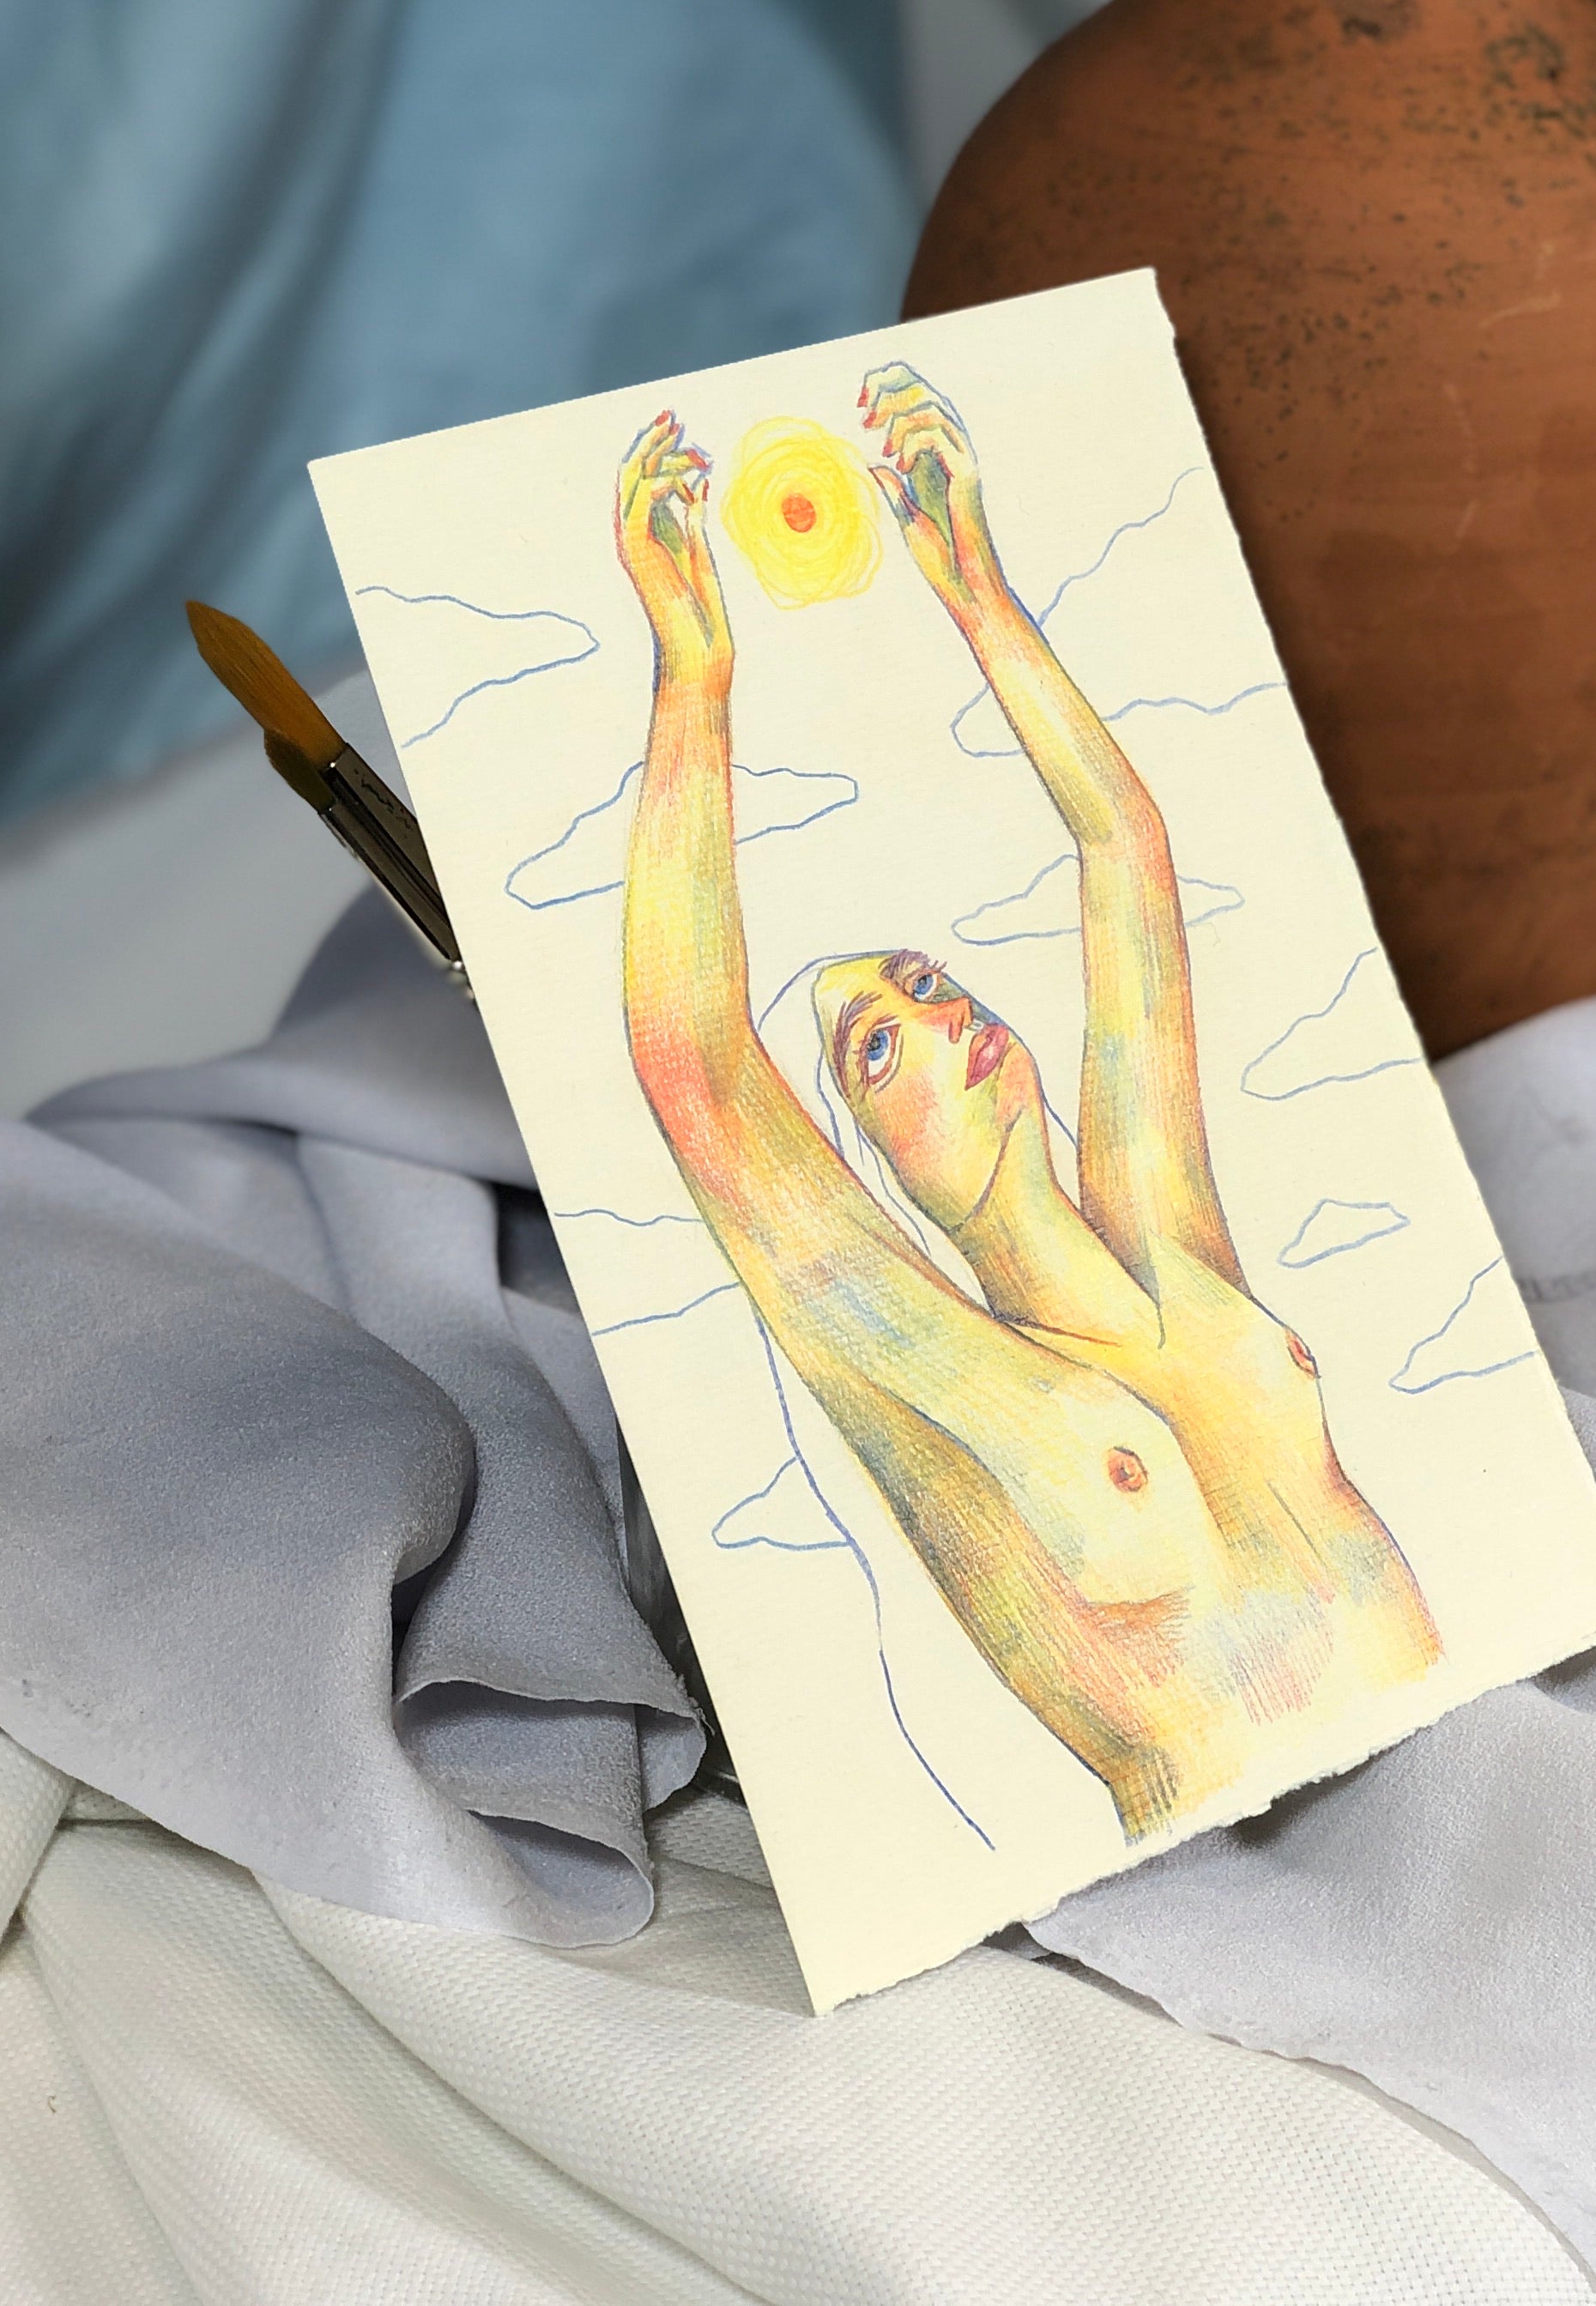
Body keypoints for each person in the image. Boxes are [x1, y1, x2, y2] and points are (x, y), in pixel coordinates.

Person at [614, 363, 1440, 1837]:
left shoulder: (1165, 1235)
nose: (938, 1019)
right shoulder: (923, 1365)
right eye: (879, 1052)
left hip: (1466, 1773)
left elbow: (1122, 848)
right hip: (1244, 1879)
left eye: (925, 986)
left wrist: (975, 587)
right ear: (865, 1166)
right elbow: (697, 1065)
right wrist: (694, 672)